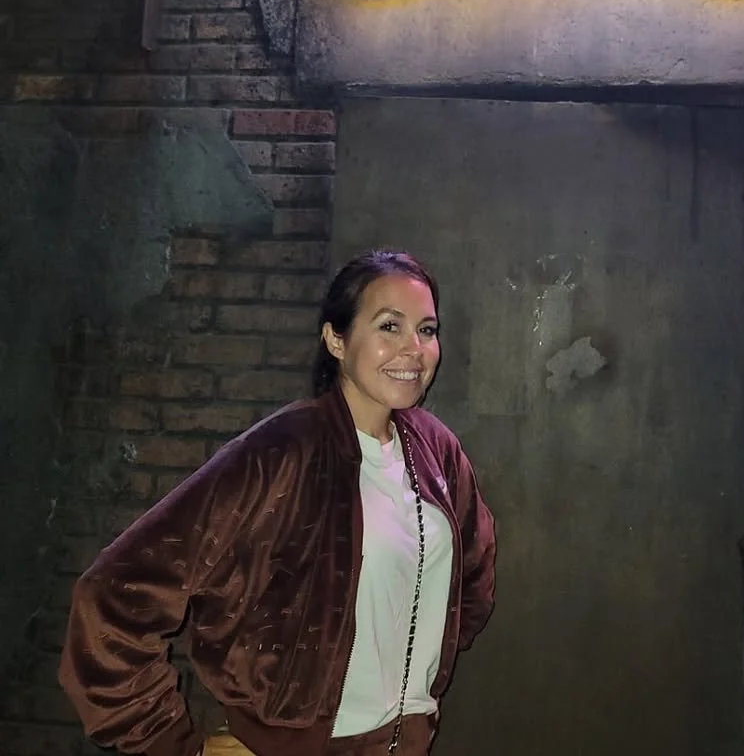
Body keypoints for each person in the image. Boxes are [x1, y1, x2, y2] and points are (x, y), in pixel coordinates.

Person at [59, 249, 496, 756]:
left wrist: (422, 662)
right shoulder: (282, 450)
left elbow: (475, 575)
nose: (413, 349)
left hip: (408, 740)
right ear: (336, 338)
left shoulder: (435, 448)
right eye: (389, 327)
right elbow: (113, 594)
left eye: (426, 329)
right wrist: (174, 744)